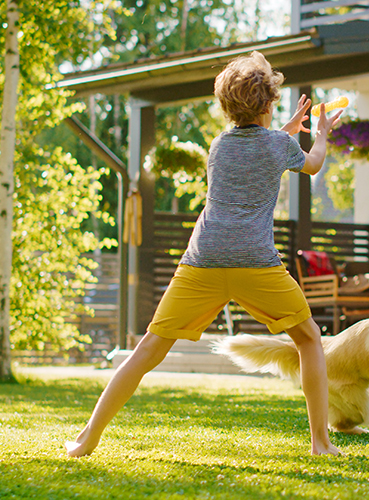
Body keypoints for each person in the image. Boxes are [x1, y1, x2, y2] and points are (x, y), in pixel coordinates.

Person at [66, 51, 343, 457]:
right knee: (309, 339)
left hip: (203, 261)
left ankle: (87, 438)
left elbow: (259, 149)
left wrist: (285, 129)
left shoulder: (218, 146)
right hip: (255, 264)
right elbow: (311, 163)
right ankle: (321, 443)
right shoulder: (280, 144)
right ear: (268, 104)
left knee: (149, 348)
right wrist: (319, 132)